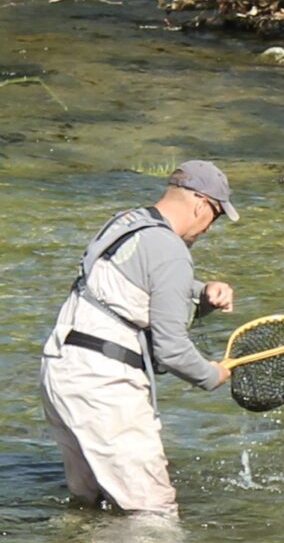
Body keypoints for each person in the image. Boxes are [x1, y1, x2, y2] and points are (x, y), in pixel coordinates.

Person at [39, 160, 241, 517]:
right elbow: (171, 350)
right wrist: (212, 375)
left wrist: (202, 293)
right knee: (153, 515)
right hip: (104, 386)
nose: (210, 228)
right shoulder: (171, 251)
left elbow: (133, 284)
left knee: (91, 504)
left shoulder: (126, 223)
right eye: (216, 215)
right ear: (200, 204)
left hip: (61, 370)